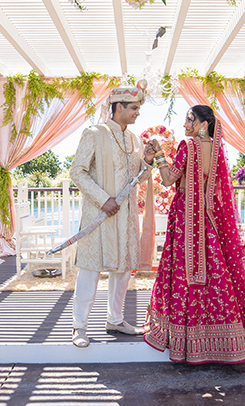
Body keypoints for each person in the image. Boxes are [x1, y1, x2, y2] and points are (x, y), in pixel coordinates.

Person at [144, 104, 245, 363]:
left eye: (190, 120)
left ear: (203, 124)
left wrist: (158, 156)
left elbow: (169, 179)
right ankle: (224, 339)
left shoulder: (188, 147)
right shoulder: (217, 150)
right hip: (207, 221)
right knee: (214, 274)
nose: (185, 125)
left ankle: (184, 340)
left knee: (183, 274)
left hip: (186, 221)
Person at [68, 84, 156, 348]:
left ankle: (115, 319)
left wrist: (148, 161)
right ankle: (79, 326)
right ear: (117, 107)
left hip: (125, 216)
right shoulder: (94, 133)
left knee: (123, 270)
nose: (137, 113)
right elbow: (77, 172)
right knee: (90, 270)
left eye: (138, 108)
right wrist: (102, 199)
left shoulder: (134, 140)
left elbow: (138, 179)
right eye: (133, 108)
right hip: (99, 214)